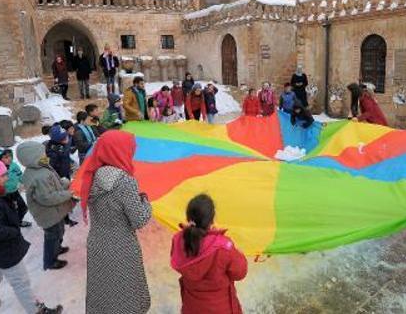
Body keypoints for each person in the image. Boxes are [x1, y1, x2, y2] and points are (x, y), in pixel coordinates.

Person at [0, 159, 63, 314]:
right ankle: (37, 311)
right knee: (21, 282)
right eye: (3, 175)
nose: (7, 177)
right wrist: (14, 231)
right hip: (4, 251)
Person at [78, 130, 153, 314]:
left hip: (98, 242)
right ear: (119, 151)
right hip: (121, 246)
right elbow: (139, 219)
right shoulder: (124, 182)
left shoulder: (92, 175)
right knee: (126, 292)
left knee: (104, 291)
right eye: (129, 149)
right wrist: (145, 201)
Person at [170, 194, 247, 314]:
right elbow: (240, 273)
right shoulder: (224, 247)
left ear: (188, 217)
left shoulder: (178, 239)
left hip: (192, 308)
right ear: (212, 219)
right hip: (221, 309)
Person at [17, 141, 75, 271]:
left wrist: (64, 183)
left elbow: (54, 183)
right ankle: (50, 261)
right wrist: (69, 193)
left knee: (59, 231)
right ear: (32, 156)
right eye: (41, 153)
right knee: (52, 237)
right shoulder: (38, 176)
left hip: (56, 212)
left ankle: (57, 248)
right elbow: (47, 198)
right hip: (48, 214)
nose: (45, 154)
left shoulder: (42, 167)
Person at [0, 147, 31, 228]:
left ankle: (18, 221)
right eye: (5, 157)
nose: (9, 158)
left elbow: (20, 176)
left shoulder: (14, 165)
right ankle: (10, 225)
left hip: (14, 191)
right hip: (4, 194)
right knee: (8, 211)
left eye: (10, 156)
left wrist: (28, 183)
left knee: (23, 207)